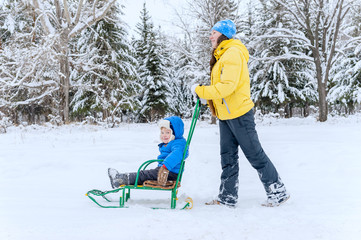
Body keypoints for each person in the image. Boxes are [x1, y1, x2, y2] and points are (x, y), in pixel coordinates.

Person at [191, 19, 290, 207]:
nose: (210, 35)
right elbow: (221, 87)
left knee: (254, 154)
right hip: (225, 115)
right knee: (227, 157)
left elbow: (227, 87)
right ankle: (227, 197)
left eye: (213, 32)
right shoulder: (222, 54)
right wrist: (207, 96)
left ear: (223, 34)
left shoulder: (233, 53)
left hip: (239, 114)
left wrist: (201, 90)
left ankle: (278, 192)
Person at [108, 116, 188, 188]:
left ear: (175, 133)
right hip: (165, 171)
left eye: (167, 132)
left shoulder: (179, 143)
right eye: (162, 132)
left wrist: (165, 167)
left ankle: (121, 179)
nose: (164, 135)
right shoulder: (173, 142)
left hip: (169, 173)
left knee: (145, 175)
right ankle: (121, 178)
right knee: (146, 175)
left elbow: (177, 154)